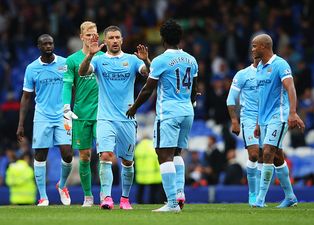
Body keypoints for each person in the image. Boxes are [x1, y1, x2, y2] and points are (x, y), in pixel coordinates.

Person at [126, 19, 199, 212]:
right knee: (176, 153)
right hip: (187, 111)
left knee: (163, 155)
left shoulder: (161, 60)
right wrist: (146, 60)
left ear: (163, 38)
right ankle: (180, 194)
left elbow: (148, 89)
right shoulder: (191, 59)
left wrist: (134, 107)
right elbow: (194, 89)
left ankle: (172, 203)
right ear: (180, 38)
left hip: (168, 113)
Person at [78, 25, 150, 210]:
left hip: (126, 118)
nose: (115, 41)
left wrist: (147, 60)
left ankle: (125, 199)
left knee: (127, 161)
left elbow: (149, 74)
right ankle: (107, 197)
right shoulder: (100, 60)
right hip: (105, 118)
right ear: (106, 41)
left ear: (122, 40)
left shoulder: (132, 60)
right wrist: (90, 55)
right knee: (106, 155)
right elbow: (82, 72)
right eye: (111, 38)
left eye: (118, 37)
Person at [16, 34, 73, 206]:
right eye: (45, 44)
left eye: (51, 43)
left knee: (68, 153)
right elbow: (26, 97)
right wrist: (20, 124)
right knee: (40, 155)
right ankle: (43, 196)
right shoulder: (32, 68)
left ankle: (62, 185)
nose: (49, 46)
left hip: (62, 113)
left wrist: (71, 108)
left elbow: (74, 86)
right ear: (39, 46)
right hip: (42, 115)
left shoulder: (64, 63)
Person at [252, 34, 305, 208]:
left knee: (267, 152)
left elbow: (290, 87)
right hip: (265, 119)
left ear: (264, 47)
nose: (252, 49)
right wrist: (259, 122)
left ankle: (259, 199)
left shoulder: (280, 64)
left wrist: (292, 112)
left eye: (255, 46)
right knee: (276, 158)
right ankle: (290, 197)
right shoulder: (259, 67)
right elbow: (261, 97)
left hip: (279, 116)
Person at [63, 21, 104, 207]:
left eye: (94, 35)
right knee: (85, 155)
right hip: (81, 114)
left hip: (102, 113)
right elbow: (67, 85)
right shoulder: (71, 60)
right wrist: (66, 106)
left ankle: (106, 194)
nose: (92, 38)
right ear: (81, 37)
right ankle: (88, 196)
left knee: (105, 154)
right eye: (88, 35)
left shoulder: (104, 57)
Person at [226, 57, 261, 205]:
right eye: (253, 49)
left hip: (268, 117)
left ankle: (261, 195)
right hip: (249, 118)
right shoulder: (243, 74)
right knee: (254, 155)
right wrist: (234, 120)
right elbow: (230, 99)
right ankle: (253, 193)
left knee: (268, 156)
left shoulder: (273, 72)